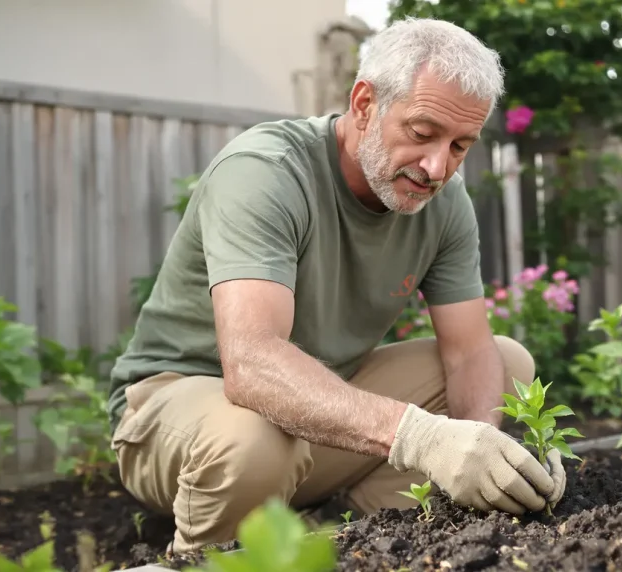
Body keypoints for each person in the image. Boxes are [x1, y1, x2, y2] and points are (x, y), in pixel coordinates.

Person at [105, 16, 567, 556]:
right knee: (254, 441)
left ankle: (360, 536)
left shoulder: (445, 204)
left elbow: (469, 353)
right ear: (365, 104)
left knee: (507, 365)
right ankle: (212, 560)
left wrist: (485, 453)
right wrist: (423, 437)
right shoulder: (267, 171)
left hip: (313, 420)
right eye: (421, 133)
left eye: (461, 145)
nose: (437, 166)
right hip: (179, 416)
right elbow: (253, 365)